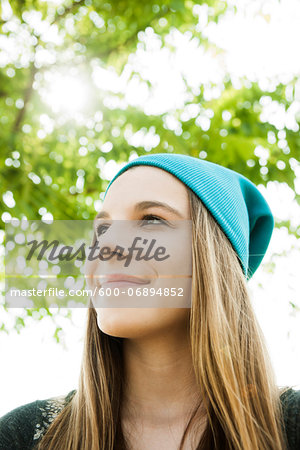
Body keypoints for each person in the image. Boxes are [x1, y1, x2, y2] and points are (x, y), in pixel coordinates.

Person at [0, 153, 299, 450]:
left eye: (152, 220)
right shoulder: (21, 437)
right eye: (101, 229)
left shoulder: (291, 426)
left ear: (214, 259)